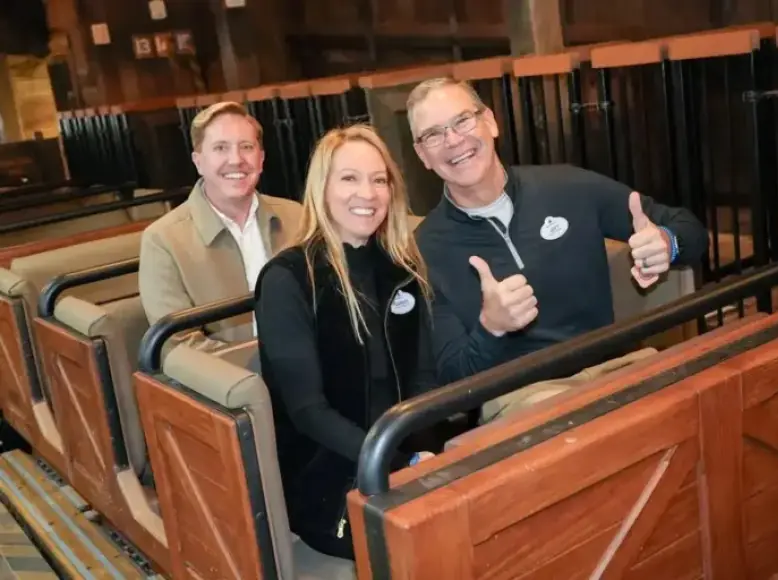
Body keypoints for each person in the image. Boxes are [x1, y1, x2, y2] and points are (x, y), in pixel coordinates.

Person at [407, 77, 709, 385]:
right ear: (423, 157)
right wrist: (491, 328)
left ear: (490, 122)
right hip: (521, 399)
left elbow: (691, 229)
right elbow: (450, 376)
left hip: (615, 371)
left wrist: (666, 243)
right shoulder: (423, 251)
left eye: (463, 121)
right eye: (433, 134)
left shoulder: (568, 187)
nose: (454, 140)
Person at [255, 124, 439, 560]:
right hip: (327, 477)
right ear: (323, 189)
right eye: (350, 178)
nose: (368, 193)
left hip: (403, 451)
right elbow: (308, 412)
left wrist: (427, 455)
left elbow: (424, 379)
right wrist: (395, 465)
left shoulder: (402, 270)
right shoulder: (288, 279)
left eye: (379, 180)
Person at [139, 101, 302, 353]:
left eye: (246, 147)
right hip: (232, 384)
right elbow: (179, 345)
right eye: (220, 148)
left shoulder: (298, 215)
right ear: (198, 162)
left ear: (261, 159)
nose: (236, 160)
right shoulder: (162, 240)